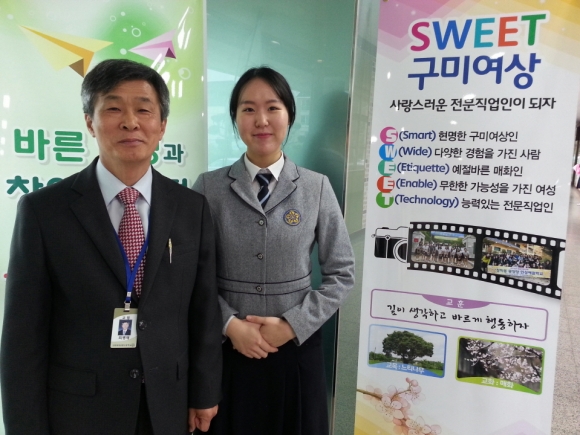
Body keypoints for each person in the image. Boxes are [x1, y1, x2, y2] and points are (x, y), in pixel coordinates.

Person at [1, 59, 222, 435]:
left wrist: (204, 393)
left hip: (167, 405)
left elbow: (203, 310)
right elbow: (23, 337)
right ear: (90, 122)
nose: (130, 122)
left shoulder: (191, 208)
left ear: (162, 125)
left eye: (144, 110)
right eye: (114, 108)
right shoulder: (44, 211)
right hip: (80, 411)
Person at [193, 67, 355, 435]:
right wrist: (229, 324)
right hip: (227, 351)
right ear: (235, 118)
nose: (261, 120)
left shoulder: (316, 187)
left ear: (289, 116)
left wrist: (292, 325)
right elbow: (191, 274)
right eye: (248, 109)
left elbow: (342, 273)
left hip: (295, 351)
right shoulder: (209, 187)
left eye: (272, 108)